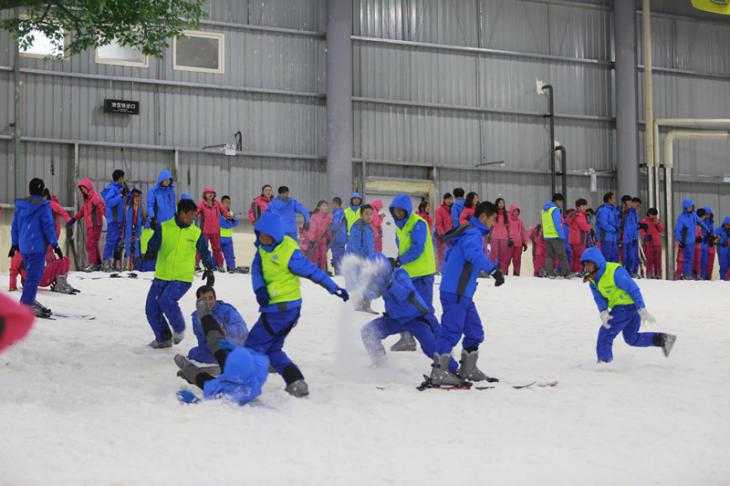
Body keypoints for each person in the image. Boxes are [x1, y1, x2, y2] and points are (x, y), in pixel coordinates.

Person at [247, 212, 349, 397]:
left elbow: (311, 271)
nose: (263, 239)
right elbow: (256, 271)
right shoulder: (261, 249)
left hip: (283, 309)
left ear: (276, 235)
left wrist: (333, 288)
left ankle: (243, 382)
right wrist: (260, 288)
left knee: (253, 345)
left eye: (267, 236)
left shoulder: (289, 252)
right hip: (274, 307)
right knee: (272, 349)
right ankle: (296, 382)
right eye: (260, 235)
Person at [428, 201, 505, 386]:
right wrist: (493, 270)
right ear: (483, 216)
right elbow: (474, 255)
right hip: (455, 292)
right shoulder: (472, 233)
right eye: (492, 219)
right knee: (450, 332)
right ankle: (438, 371)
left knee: (475, 332)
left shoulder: (471, 232)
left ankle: (468, 369)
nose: (493, 224)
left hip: (463, 293)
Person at [360, 253, 458, 373]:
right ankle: (380, 363)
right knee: (368, 332)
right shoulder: (379, 278)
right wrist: (365, 293)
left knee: (431, 348)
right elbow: (374, 292)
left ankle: (453, 369)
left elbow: (404, 295)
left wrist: (390, 283)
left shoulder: (400, 274)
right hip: (395, 319)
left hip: (414, 319)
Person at [579, 247, 676, 363]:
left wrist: (642, 308)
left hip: (626, 308)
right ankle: (664, 340)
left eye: (589, 263)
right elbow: (598, 297)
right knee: (631, 338)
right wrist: (603, 311)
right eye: (585, 264)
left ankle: (604, 363)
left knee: (605, 333)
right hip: (625, 310)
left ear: (597, 262)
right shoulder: (593, 279)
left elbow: (633, 289)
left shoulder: (614, 271)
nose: (587, 267)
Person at [143, 199, 216, 348]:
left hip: (182, 277)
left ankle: (179, 327)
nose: (193, 218)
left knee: (166, 301)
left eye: (194, 215)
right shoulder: (164, 227)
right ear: (181, 213)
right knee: (151, 307)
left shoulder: (196, 232)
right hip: (162, 274)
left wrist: (209, 267)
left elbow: (204, 251)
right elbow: (154, 242)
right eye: (190, 215)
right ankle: (163, 338)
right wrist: (151, 250)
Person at [174, 298, 268, 406]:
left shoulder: (225, 392)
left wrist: (191, 398)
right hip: (233, 365)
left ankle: (186, 366)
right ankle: (206, 316)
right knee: (217, 342)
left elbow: (207, 404)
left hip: (223, 382)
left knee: (200, 377)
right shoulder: (254, 377)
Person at [9, 178, 64, 317]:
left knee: (30, 276)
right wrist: (55, 245)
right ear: (41, 190)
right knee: (34, 276)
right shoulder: (43, 206)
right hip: (37, 247)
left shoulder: (21, 206)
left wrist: (14, 244)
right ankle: (26, 303)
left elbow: (15, 226)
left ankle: (29, 300)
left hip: (24, 247)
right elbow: (48, 227)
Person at [390, 194, 437, 352]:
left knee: (424, 309)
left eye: (401, 210)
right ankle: (407, 339)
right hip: (408, 273)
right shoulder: (399, 226)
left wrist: (400, 260)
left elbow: (417, 247)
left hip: (423, 272)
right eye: (395, 210)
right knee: (403, 306)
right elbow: (401, 246)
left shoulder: (418, 223)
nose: (398, 213)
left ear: (407, 209)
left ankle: (440, 341)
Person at [187, 285, 249, 363]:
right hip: (213, 350)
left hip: (234, 346)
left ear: (215, 299)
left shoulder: (226, 310)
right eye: (204, 300)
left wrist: (226, 330)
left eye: (210, 298)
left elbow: (242, 329)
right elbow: (201, 340)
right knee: (193, 353)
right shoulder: (196, 317)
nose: (208, 302)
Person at [67, 178, 105, 272]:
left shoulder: (94, 197)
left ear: (88, 187)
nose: (83, 190)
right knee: (93, 244)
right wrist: (74, 218)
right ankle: (97, 263)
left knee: (90, 244)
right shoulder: (87, 199)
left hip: (95, 224)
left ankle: (92, 263)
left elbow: (101, 206)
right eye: (82, 189)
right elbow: (84, 210)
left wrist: (109, 218)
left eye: (84, 188)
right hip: (90, 225)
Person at [101, 169, 128, 272]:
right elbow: (109, 202)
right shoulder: (112, 189)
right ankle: (106, 263)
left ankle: (116, 263)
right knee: (111, 241)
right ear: (120, 178)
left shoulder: (119, 189)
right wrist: (120, 195)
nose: (124, 179)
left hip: (120, 219)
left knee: (119, 242)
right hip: (114, 220)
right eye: (123, 177)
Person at [195, 186, 229, 270]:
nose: (210, 195)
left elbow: (224, 212)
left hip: (215, 231)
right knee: (201, 248)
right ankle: (196, 264)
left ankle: (220, 264)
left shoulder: (217, 204)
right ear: (205, 195)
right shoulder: (201, 204)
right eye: (208, 193)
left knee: (217, 249)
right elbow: (195, 212)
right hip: (204, 231)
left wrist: (229, 217)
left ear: (214, 195)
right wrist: (190, 217)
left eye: (212, 193)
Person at [675, 199, 707, 280]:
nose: (691, 208)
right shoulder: (681, 218)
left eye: (692, 206)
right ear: (685, 207)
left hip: (692, 242)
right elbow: (678, 230)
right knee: (686, 259)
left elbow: (700, 222)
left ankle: (688, 274)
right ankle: (686, 274)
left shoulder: (693, 215)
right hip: (685, 242)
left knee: (690, 259)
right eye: (689, 207)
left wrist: (707, 230)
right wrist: (680, 240)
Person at [541, 193, 570, 278]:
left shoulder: (544, 210)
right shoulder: (555, 209)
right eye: (561, 202)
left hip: (546, 236)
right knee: (562, 256)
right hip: (556, 236)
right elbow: (557, 224)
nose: (561, 204)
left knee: (549, 255)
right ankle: (566, 273)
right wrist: (562, 235)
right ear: (557, 200)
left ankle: (550, 273)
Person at [305, 200, 332, 271]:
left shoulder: (329, 217)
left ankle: (322, 272)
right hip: (315, 241)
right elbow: (312, 228)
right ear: (319, 207)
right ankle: (314, 273)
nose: (326, 207)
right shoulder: (314, 217)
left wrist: (330, 237)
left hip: (323, 241)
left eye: (326, 206)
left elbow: (329, 228)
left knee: (323, 257)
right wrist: (312, 239)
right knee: (315, 257)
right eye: (323, 206)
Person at [568, 199, 593, 273]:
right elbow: (584, 227)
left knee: (574, 257)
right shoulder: (580, 216)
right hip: (579, 240)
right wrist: (590, 226)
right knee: (580, 257)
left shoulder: (573, 215)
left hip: (572, 240)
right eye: (583, 206)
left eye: (585, 205)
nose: (585, 207)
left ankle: (574, 270)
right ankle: (579, 271)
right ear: (578, 207)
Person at [595, 192, 621, 262]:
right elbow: (603, 224)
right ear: (609, 200)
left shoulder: (613, 210)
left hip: (614, 237)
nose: (615, 200)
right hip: (606, 237)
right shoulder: (603, 210)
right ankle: (606, 272)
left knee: (615, 256)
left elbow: (617, 221)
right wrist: (614, 229)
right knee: (607, 256)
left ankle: (613, 272)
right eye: (613, 199)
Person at [504, 204, 527, 276]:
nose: (516, 213)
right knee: (507, 259)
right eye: (514, 211)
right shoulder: (507, 220)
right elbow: (504, 230)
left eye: (517, 211)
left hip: (518, 244)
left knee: (517, 260)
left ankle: (516, 273)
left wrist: (524, 243)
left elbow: (523, 232)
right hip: (509, 243)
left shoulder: (520, 222)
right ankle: (505, 272)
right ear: (511, 211)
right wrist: (507, 239)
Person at [123, 188, 143, 271]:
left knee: (135, 247)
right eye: (135, 196)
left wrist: (139, 233)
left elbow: (139, 221)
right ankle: (126, 266)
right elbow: (126, 220)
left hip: (135, 231)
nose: (137, 198)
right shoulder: (128, 207)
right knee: (128, 247)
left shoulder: (138, 209)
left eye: (138, 197)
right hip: (128, 231)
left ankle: (134, 267)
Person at [640, 208, 663, 279]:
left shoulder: (657, 221)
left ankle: (658, 274)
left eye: (655, 215)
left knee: (658, 260)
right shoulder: (644, 221)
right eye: (653, 214)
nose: (654, 216)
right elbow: (642, 231)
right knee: (649, 259)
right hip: (648, 244)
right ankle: (649, 274)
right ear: (649, 214)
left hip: (657, 243)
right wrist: (646, 236)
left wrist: (657, 224)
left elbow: (661, 229)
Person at [219, 195, 240, 273]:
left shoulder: (231, 212)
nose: (228, 204)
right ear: (221, 203)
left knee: (230, 255)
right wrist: (230, 222)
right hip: (219, 238)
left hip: (228, 239)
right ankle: (215, 267)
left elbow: (236, 223)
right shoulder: (218, 212)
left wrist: (230, 222)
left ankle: (231, 268)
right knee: (217, 255)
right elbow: (221, 223)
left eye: (229, 203)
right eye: (226, 203)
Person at [434, 193, 454, 271]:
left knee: (451, 253)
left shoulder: (453, 209)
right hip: (441, 236)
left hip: (451, 235)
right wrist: (442, 234)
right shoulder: (439, 210)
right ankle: (440, 270)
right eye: (447, 199)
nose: (449, 201)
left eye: (450, 199)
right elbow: (439, 223)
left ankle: (449, 269)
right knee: (441, 254)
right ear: (444, 200)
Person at [622, 197, 641, 276]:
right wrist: (632, 237)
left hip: (633, 238)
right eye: (637, 205)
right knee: (629, 257)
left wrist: (639, 226)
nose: (638, 207)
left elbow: (633, 226)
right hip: (628, 239)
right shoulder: (628, 213)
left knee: (634, 256)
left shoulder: (633, 213)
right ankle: (629, 272)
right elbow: (629, 227)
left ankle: (633, 272)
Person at [329, 196, 347, 275]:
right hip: (340, 238)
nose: (331, 205)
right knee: (339, 258)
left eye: (332, 203)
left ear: (335, 203)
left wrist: (328, 226)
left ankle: (339, 275)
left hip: (337, 238)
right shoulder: (341, 212)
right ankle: (339, 274)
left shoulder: (337, 213)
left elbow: (335, 225)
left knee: (338, 259)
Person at [490, 198, 509, 268]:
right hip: (495, 236)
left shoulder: (507, 214)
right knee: (493, 254)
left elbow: (509, 226)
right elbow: (490, 224)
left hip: (504, 237)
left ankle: (502, 270)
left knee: (503, 254)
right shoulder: (493, 214)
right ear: (497, 204)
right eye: (499, 203)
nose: (501, 204)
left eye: (502, 203)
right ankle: (490, 269)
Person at [699, 207, 715, 280]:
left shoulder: (711, 223)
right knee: (701, 261)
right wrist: (703, 237)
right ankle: (701, 276)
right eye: (706, 214)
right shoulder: (701, 222)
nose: (708, 216)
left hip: (707, 245)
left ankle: (706, 277)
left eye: (709, 214)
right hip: (701, 244)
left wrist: (712, 239)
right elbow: (699, 232)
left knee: (707, 263)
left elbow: (712, 233)